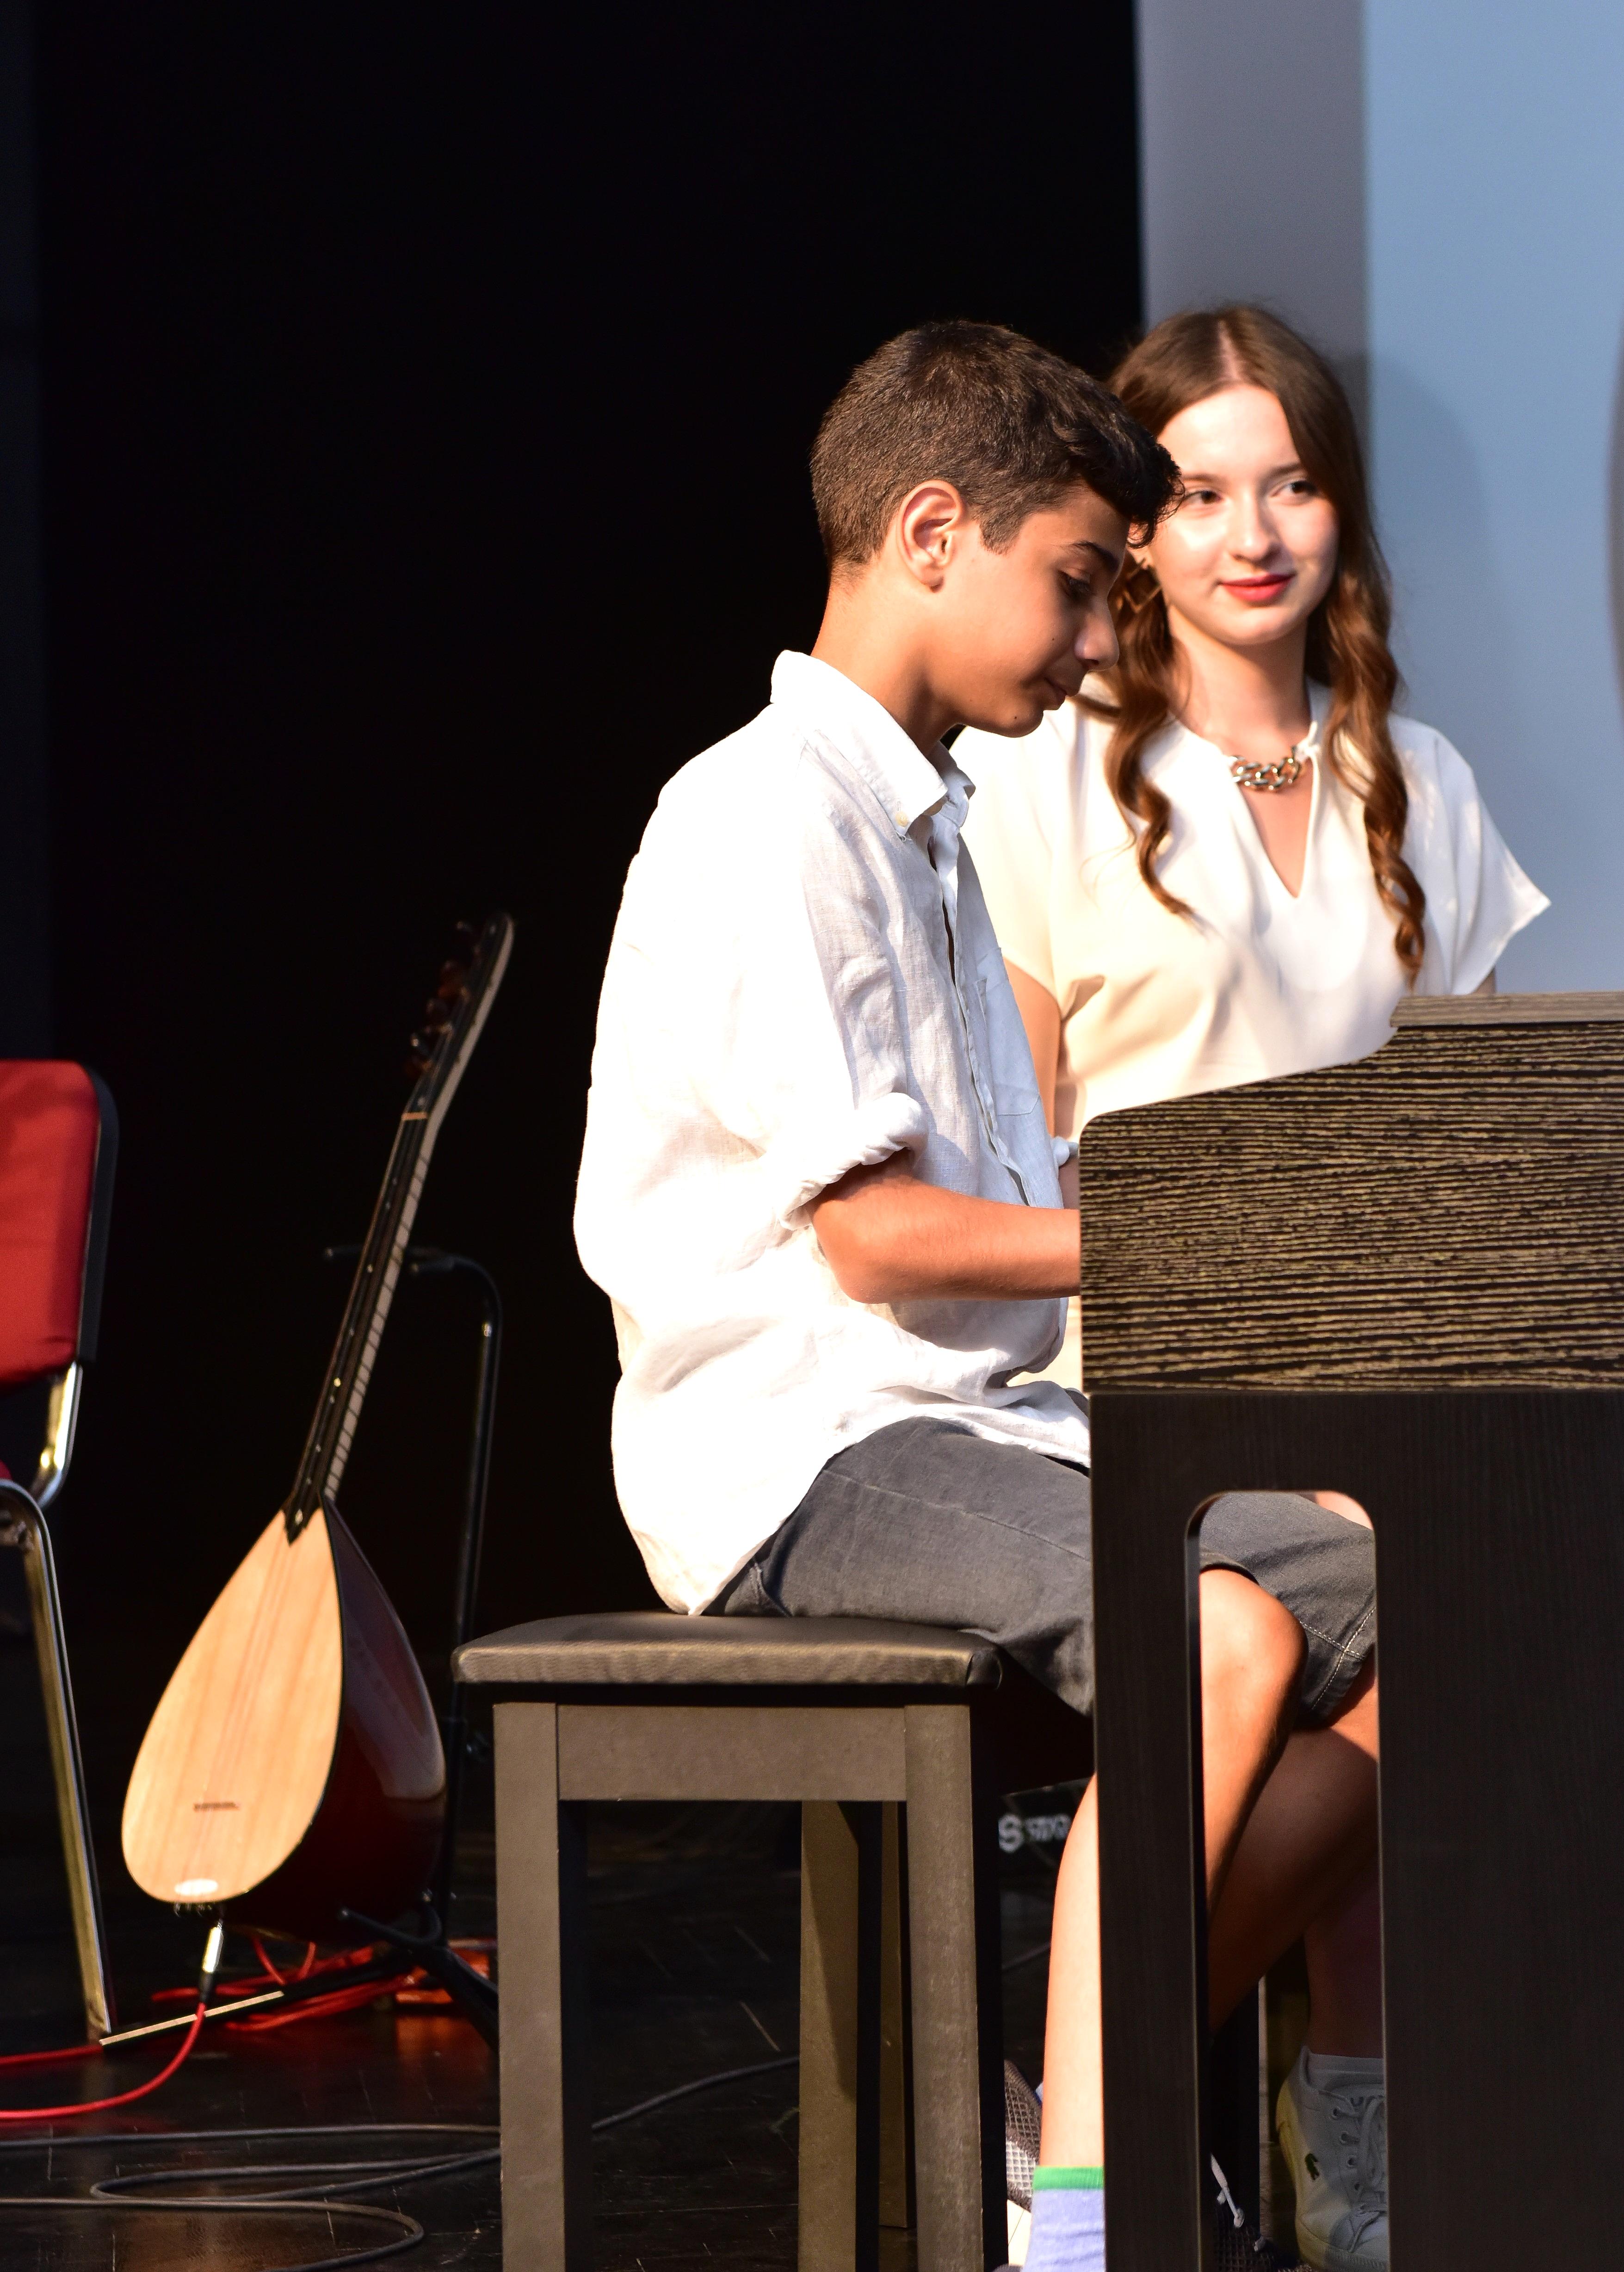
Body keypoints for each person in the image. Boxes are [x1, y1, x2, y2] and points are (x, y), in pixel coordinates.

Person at [573, 321, 1382, 2272]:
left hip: (971, 1425)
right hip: (803, 1450)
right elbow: (876, 1239)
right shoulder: (764, 814)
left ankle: (1070, 2100)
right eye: (1080, 582)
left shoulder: (924, 826)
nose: (1102, 642)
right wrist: (1176, 1245)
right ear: (933, 533)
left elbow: (1006, 1201)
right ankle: (1089, 2219)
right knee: (1219, 1631)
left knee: (1422, 1587)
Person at [956, 304, 1546, 2271]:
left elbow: (1493, 1125)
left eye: (1290, 483)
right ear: (1134, 531)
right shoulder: (1054, 782)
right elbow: (1010, 1141)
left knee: (1495, 1570)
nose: (1252, 531)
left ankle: (1254, 2139)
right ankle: (1169, 2132)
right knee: (1369, 1604)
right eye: (1202, 493)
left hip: (1376, 1366)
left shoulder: (1418, 779)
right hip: (1131, 1369)